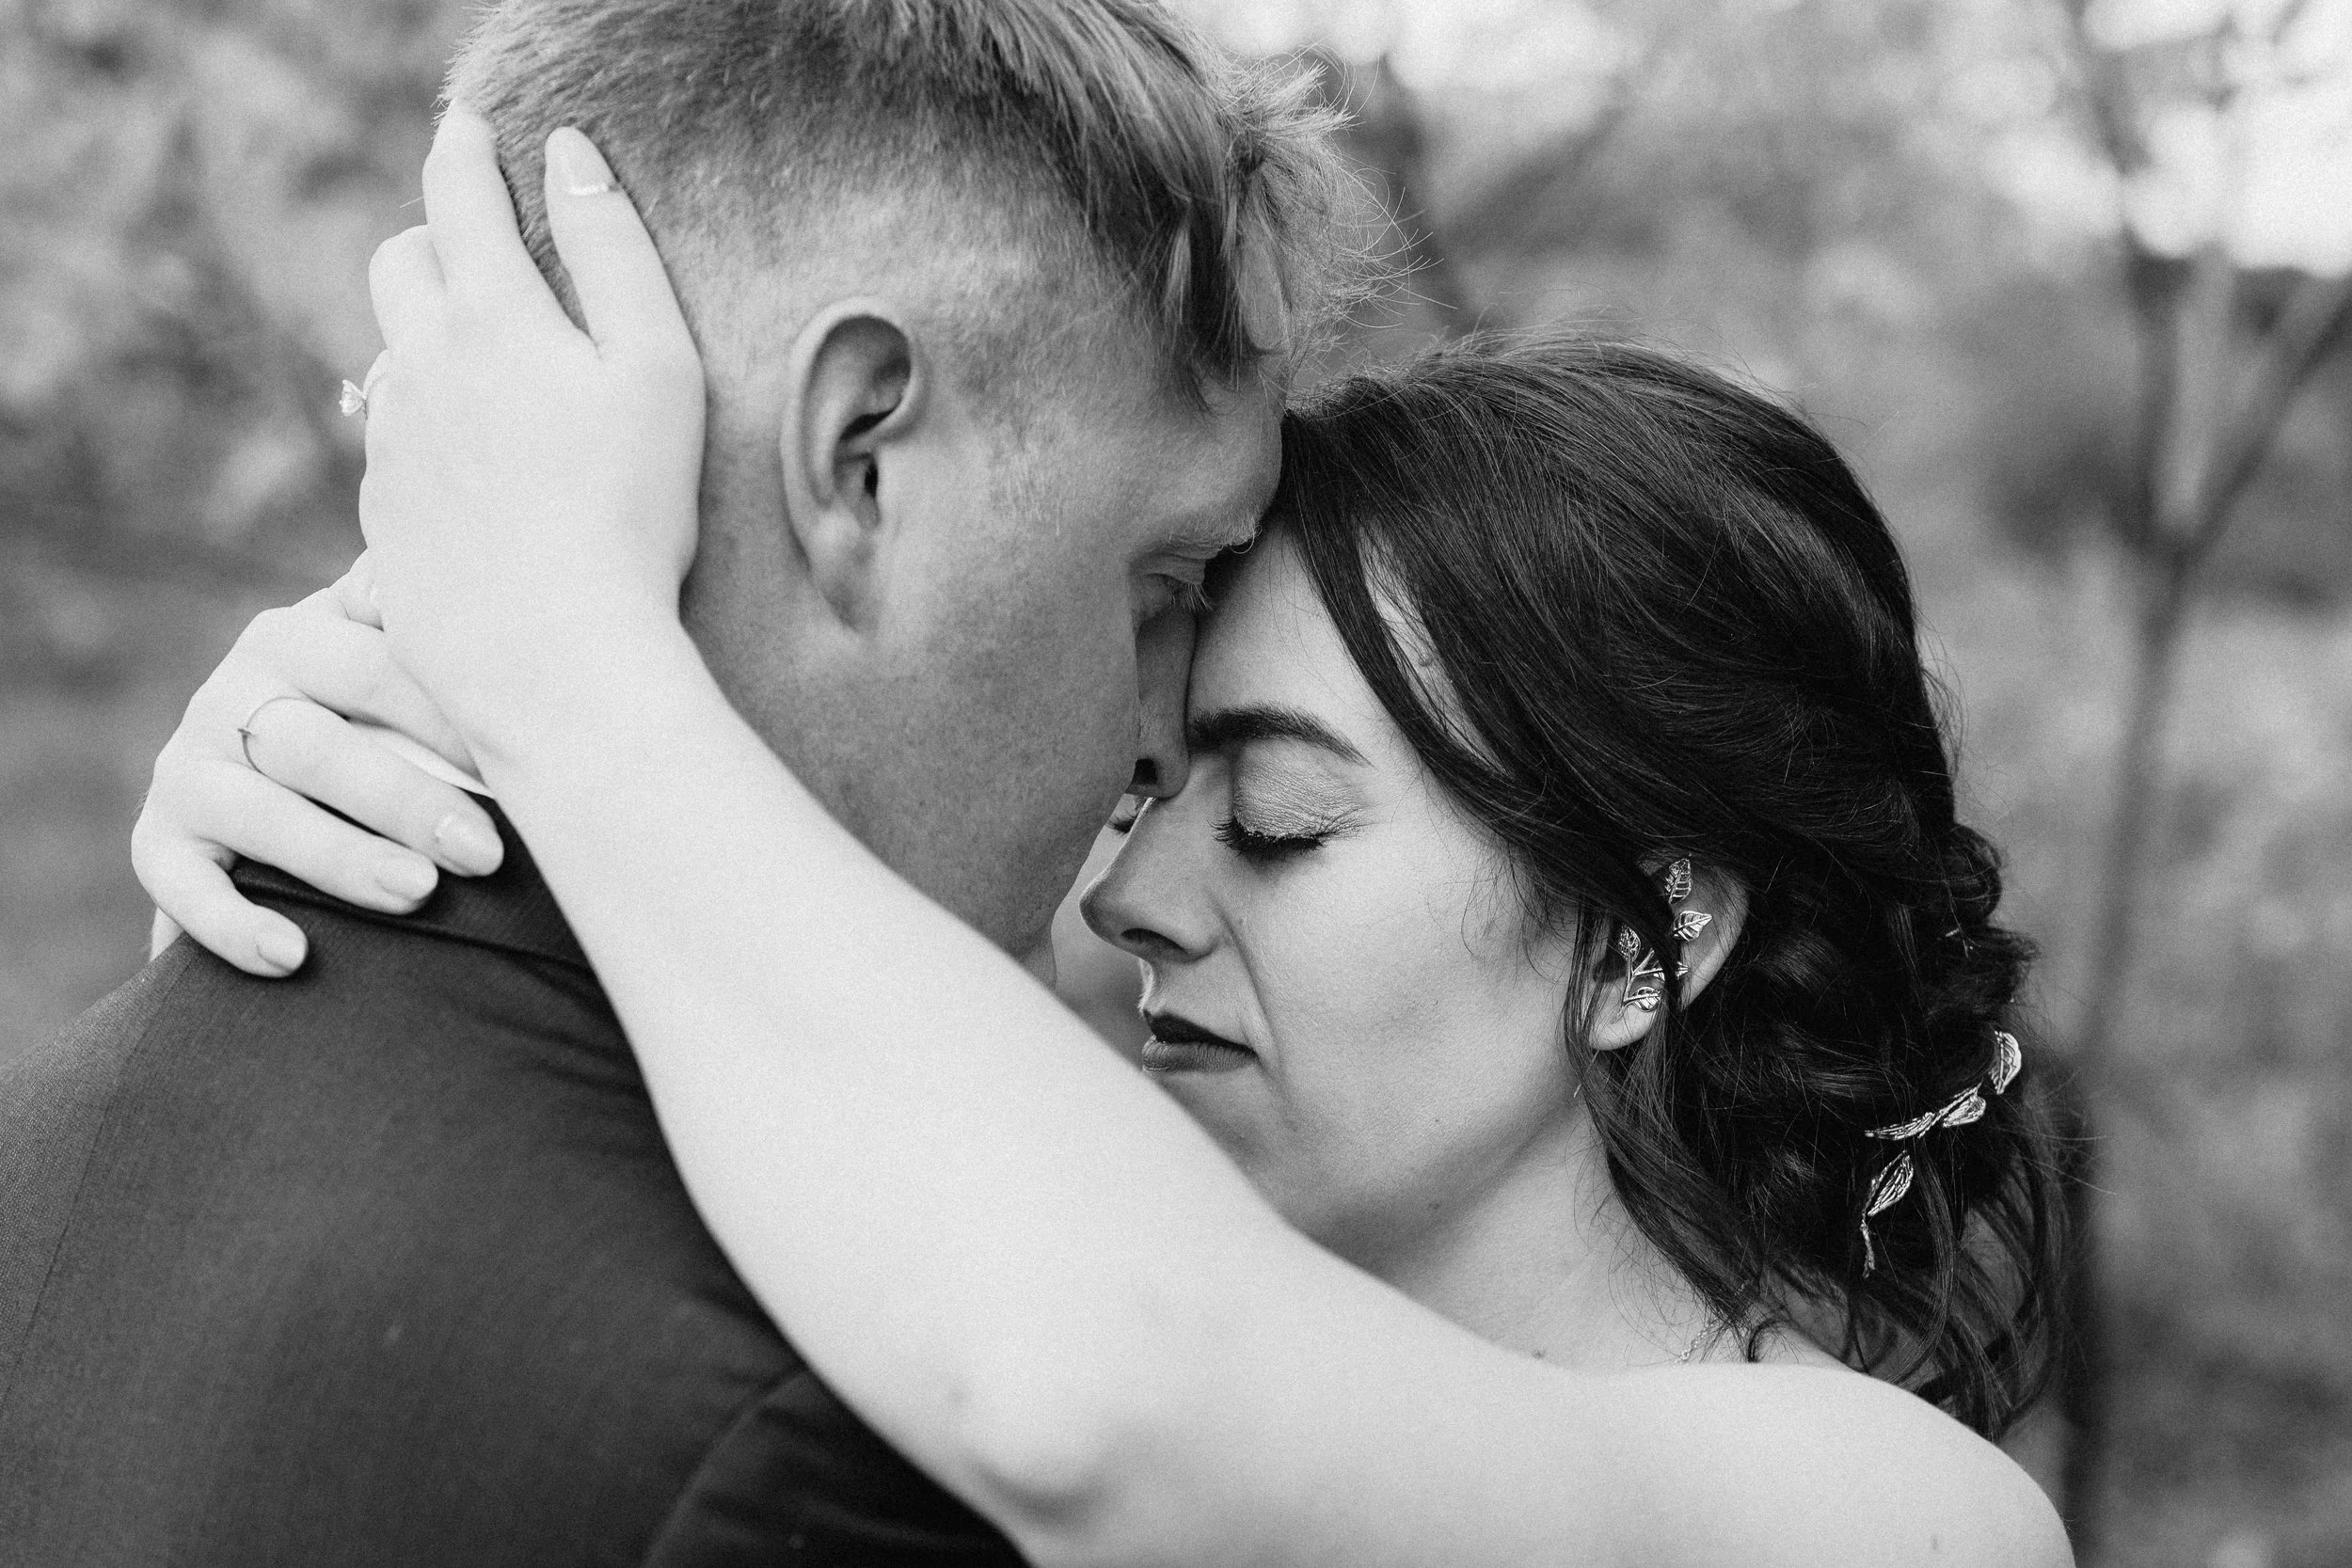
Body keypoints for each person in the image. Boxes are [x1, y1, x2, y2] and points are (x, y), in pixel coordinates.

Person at [125, 119, 2074, 1565]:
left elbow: (1106, 1390)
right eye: (1144, 789)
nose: (1127, 892)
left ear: (1648, 931)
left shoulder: (1881, 1509)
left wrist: (554, 651)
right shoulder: (1008, 1245)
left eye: (1281, 815)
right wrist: (349, 763)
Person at [0, 3, 1356, 1561]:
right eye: (1163, 582)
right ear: (858, 459)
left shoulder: (48, 1139)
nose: (1162, 744)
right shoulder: (836, 1424)